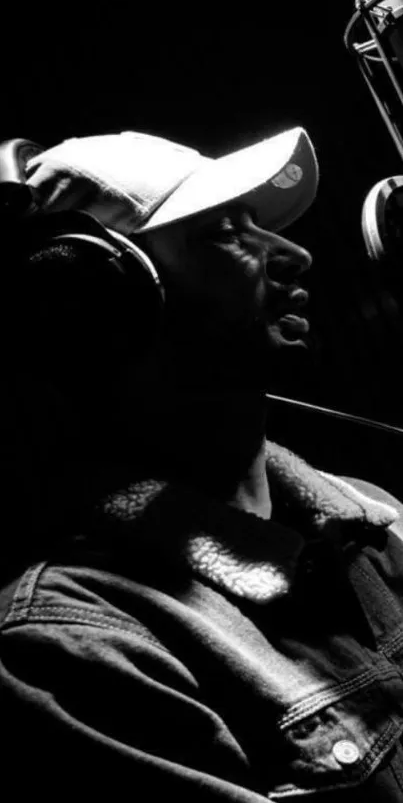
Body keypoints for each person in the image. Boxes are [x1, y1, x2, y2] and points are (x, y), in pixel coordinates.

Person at [1, 126, 403, 801]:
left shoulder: (375, 517)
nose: (296, 254)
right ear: (93, 298)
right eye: (224, 231)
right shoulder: (70, 644)